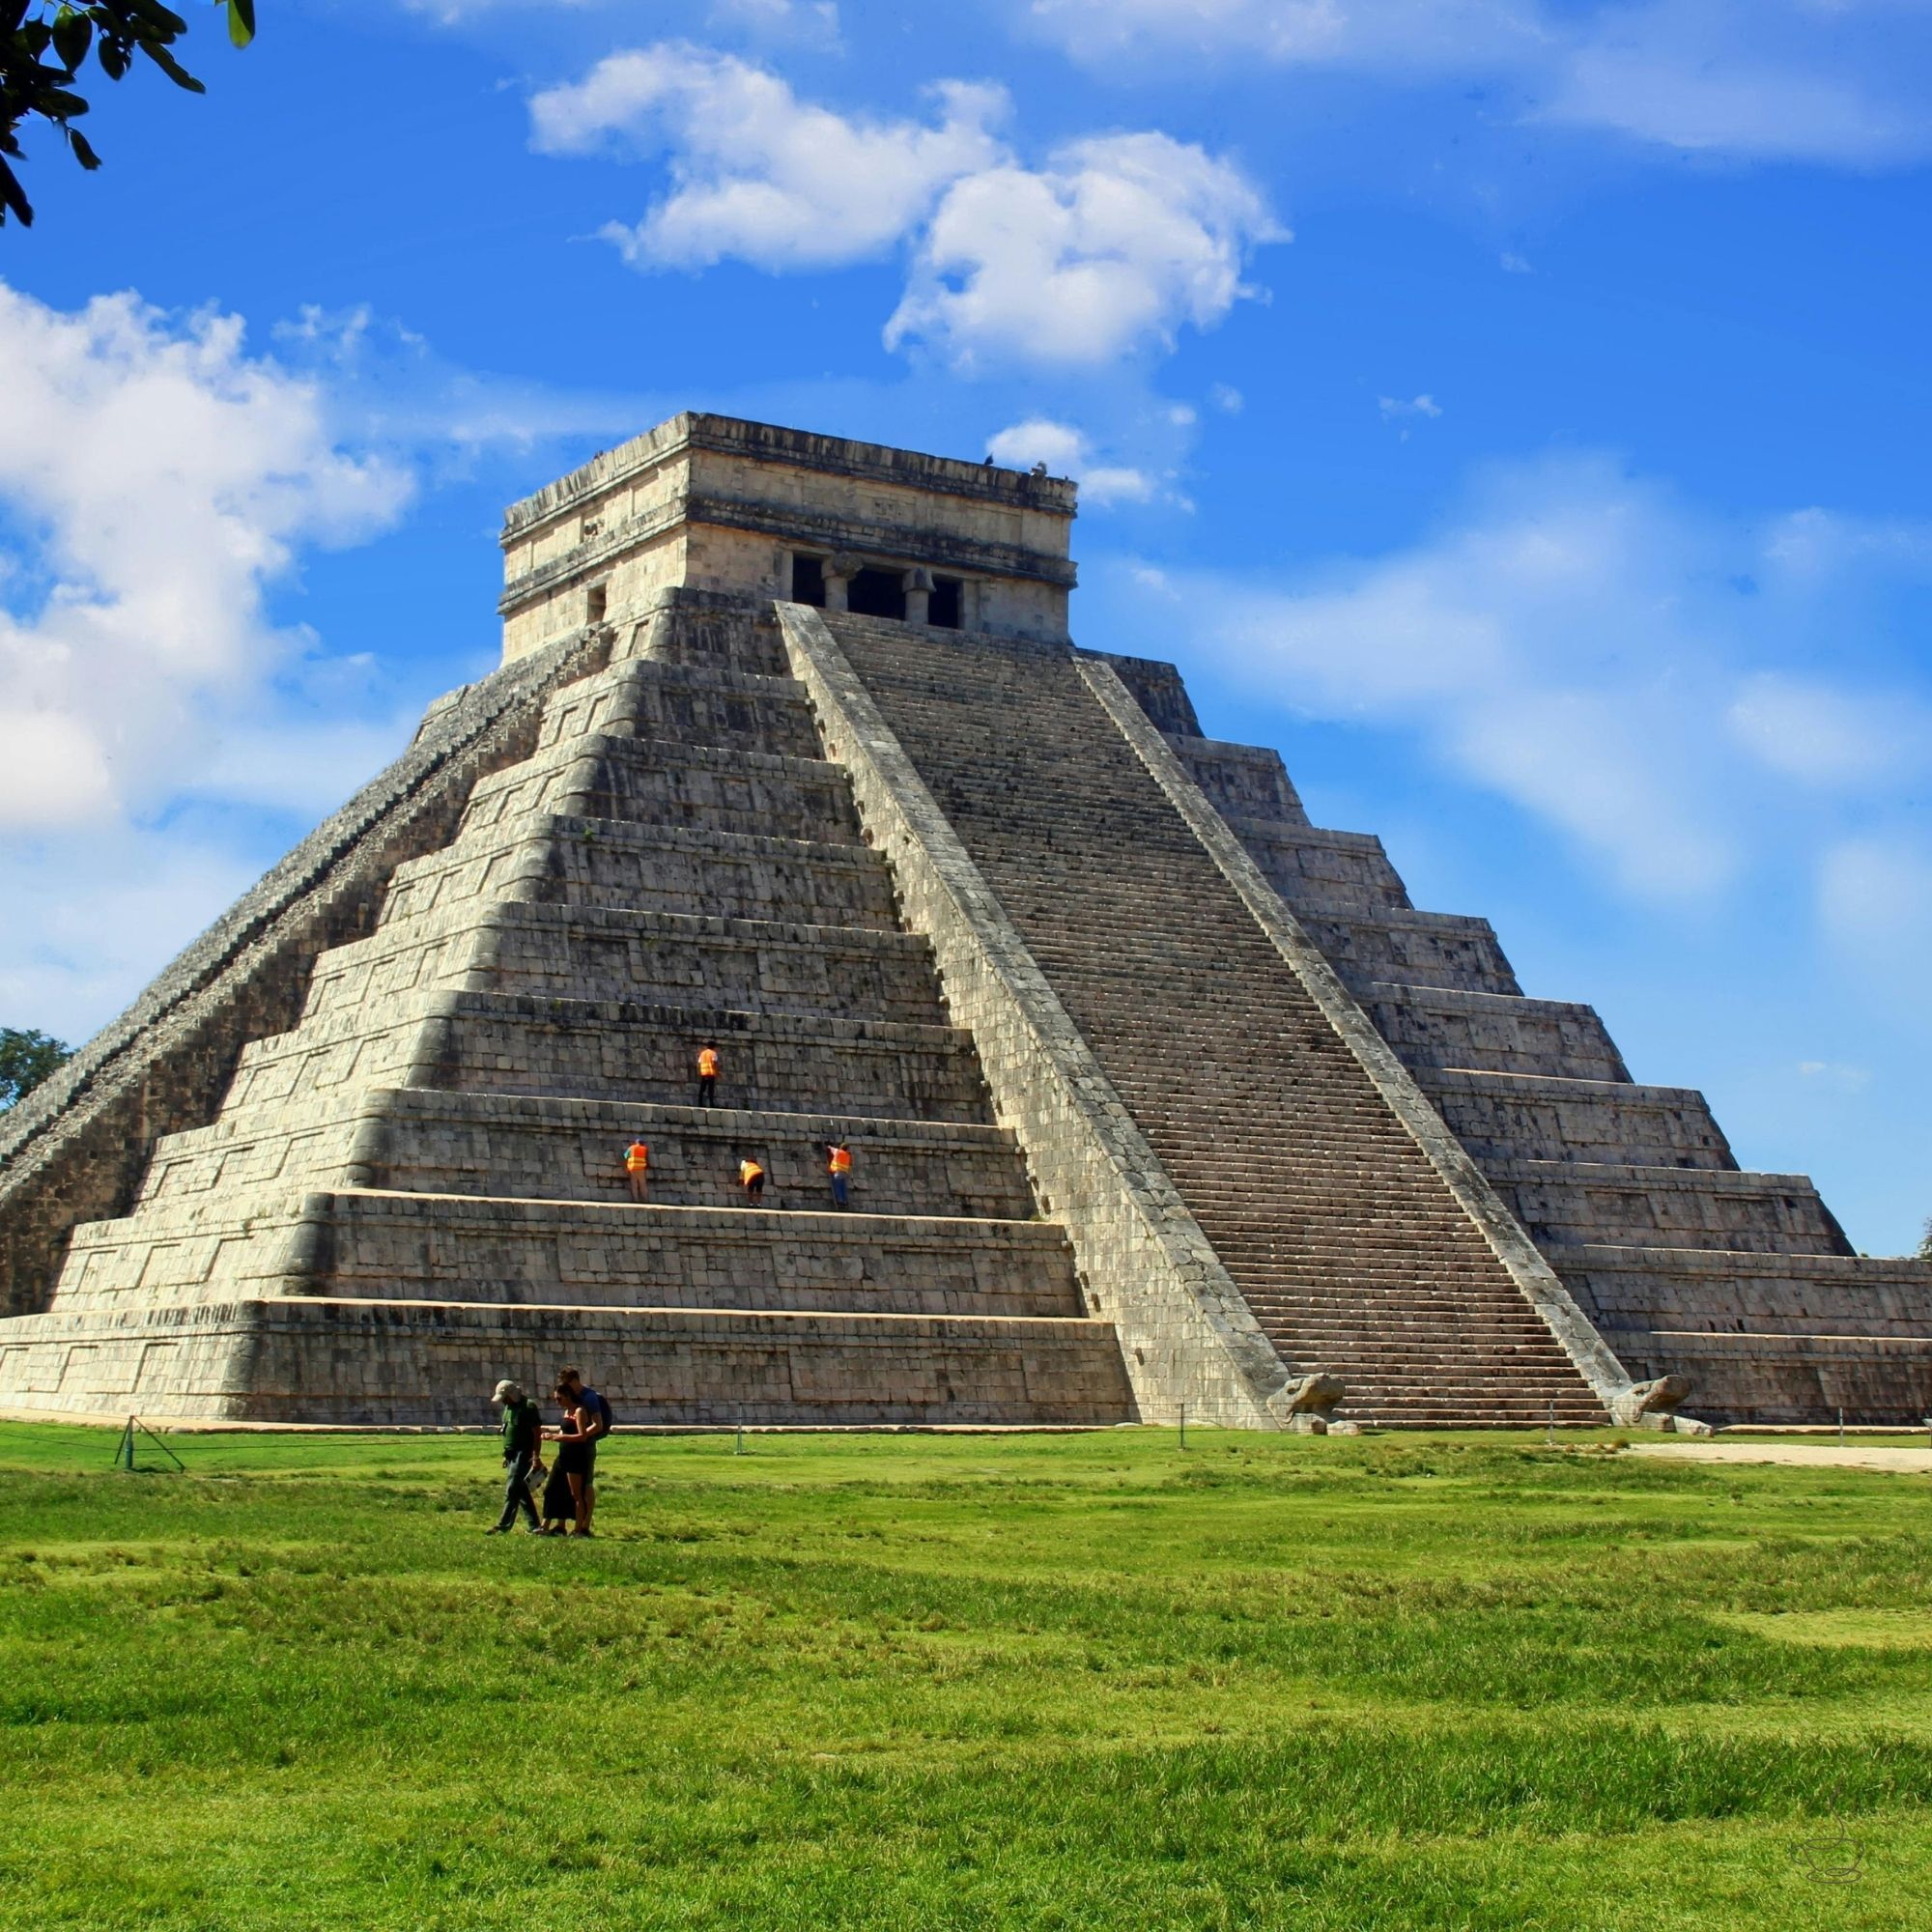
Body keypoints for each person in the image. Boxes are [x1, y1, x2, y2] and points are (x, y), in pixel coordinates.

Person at [557, 1366, 612, 1535]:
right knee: (569, 1487)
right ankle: (563, 1524)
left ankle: (584, 1525)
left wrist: (579, 1436)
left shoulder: (589, 1398)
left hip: (585, 1446)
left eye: (567, 1383)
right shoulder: (573, 1398)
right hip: (572, 1447)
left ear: (575, 1381)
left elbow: (598, 1424)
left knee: (586, 1485)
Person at [485, 1378, 543, 1535]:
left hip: (523, 1454)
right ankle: (535, 1526)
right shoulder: (508, 1408)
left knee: (512, 1489)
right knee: (521, 1491)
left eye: (505, 1398)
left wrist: (535, 1456)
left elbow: (537, 1434)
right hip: (511, 1455)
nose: (504, 1401)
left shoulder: (528, 1407)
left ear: (512, 1395)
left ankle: (503, 1526)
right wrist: (507, 1454)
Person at [541, 1381, 595, 1536]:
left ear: (567, 1396)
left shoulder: (579, 1411)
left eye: (559, 1399)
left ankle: (578, 1529)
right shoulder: (566, 1412)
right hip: (563, 1455)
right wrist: (549, 1435)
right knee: (552, 1489)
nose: (557, 1402)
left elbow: (582, 1436)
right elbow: (563, 1429)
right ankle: (550, 1525)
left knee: (576, 1494)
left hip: (576, 1456)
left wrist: (560, 1437)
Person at [824, 1138, 853, 1210]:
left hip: (837, 1172)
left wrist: (827, 1146)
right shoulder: (848, 1155)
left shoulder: (838, 1152)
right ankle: (845, 1201)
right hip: (844, 1173)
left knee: (837, 1186)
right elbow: (850, 1164)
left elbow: (830, 1148)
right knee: (843, 1187)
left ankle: (840, 1201)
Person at [624, 1138, 650, 1205]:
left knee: (634, 1184)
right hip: (641, 1168)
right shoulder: (644, 1149)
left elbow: (625, 1156)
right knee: (643, 1184)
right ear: (642, 1143)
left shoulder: (631, 1148)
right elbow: (647, 1159)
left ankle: (636, 1199)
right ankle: (645, 1199)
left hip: (633, 1168)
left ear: (636, 1142)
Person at [696, 1040, 720, 1106]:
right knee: (710, 1090)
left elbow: (699, 1063)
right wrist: (717, 1073)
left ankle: (700, 1103)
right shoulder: (713, 1053)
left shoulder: (702, 1053)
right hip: (711, 1073)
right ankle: (711, 1104)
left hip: (704, 1073)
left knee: (702, 1089)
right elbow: (714, 1063)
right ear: (713, 1047)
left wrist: (699, 1072)